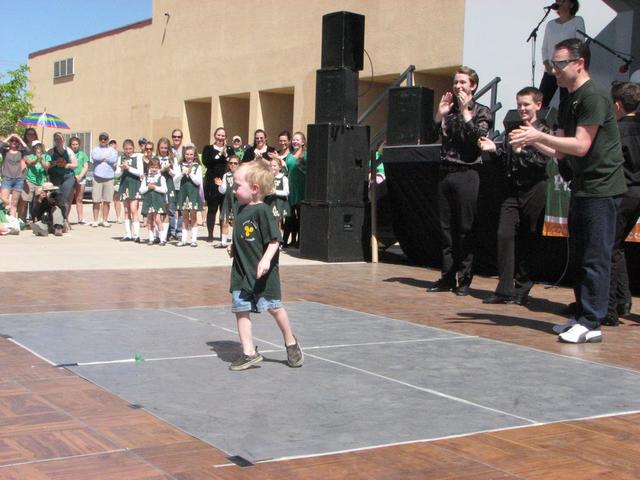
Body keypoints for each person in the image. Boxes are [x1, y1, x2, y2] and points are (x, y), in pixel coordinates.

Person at [510, 39, 626, 343]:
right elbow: (561, 153)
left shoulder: (595, 97)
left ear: (579, 63)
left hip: (602, 187)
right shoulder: (567, 100)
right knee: (578, 256)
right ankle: (581, 316)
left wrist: (537, 133)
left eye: (560, 64)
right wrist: (533, 141)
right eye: (552, 64)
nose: (554, 70)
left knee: (595, 256)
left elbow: (581, 145)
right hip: (583, 187)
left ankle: (592, 322)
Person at [226, 160, 303, 371]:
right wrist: (234, 247)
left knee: (275, 308)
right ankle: (249, 352)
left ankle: (290, 341)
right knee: (240, 309)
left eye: (237, 185)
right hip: (241, 272)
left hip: (263, 274)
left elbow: (274, 240)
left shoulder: (263, 211)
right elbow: (242, 236)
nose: (234, 189)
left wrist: (266, 259)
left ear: (254, 189)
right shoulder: (239, 208)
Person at [479, 87, 552, 305]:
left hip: (535, 188)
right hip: (512, 191)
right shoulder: (514, 130)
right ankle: (504, 289)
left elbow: (541, 162)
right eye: (519, 104)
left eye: (526, 104)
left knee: (530, 239)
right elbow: (508, 163)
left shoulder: (544, 131)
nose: (522, 109)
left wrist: (523, 152)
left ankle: (523, 289)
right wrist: (495, 150)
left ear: (538, 106)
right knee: (504, 235)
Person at [427, 66, 493, 296]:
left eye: (463, 82)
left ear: (473, 85)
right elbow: (428, 135)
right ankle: (447, 277)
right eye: (455, 82)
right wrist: (439, 114)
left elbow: (478, 138)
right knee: (446, 230)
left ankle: (464, 279)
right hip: (446, 173)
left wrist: (466, 112)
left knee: (465, 228)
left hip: (468, 173)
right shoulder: (449, 109)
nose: (458, 86)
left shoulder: (482, 111)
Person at [604, 82, 640, 326]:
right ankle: (622, 299)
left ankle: (608, 307)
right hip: (637, 193)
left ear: (617, 104)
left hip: (622, 192)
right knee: (615, 246)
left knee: (606, 247)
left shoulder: (617, 131)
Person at [540, 0, 585, 107]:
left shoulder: (578, 20)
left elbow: (579, 44)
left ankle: (564, 123)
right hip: (551, 69)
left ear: (571, 4)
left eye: (563, 0)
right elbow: (545, 48)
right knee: (541, 100)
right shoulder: (550, 24)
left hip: (567, 69)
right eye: (557, 0)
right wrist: (547, 66)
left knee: (565, 101)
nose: (559, 2)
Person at [202, 127, 234, 241]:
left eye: (223, 136)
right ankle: (210, 234)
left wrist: (226, 155)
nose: (220, 138)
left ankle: (223, 235)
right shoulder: (208, 148)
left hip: (226, 181)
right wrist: (220, 154)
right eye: (218, 135)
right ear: (215, 136)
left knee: (224, 209)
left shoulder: (229, 149)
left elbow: (234, 162)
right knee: (212, 208)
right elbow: (207, 162)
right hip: (212, 182)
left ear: (226, 137)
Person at [175, 144, 203, 247]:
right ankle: (184, 239)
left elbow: (198, 182)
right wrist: (182, 173)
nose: (189, 156)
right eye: (187, 154)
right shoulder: (180, 165)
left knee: (193, 215)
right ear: (184, 155)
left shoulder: (197, 166)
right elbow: (175, 180)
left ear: (194, 155)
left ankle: (193, 239)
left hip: (193, 193)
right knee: (184, 216)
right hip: (183, 192)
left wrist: (190, 173)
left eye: (191, 154)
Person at [47, 132, 77, 226]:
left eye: (60, 138)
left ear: (63, 140)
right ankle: (56, 219)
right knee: (56, 198)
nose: (58, 141)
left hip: (67, 177)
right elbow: (46, 165)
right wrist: (55, 163)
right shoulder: (51, 151)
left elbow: (75, 164)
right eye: (56, 139)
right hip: (55, 177)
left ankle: (64, 219)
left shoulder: (68, 151)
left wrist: (67, 165)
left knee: (64, 198)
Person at [116, 139, 143, 242]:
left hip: (134, 184)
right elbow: (117, 174)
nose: (128, 151)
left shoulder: (138, 157)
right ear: (123, 149)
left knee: (133, 209)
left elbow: (140, 172)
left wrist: (129, 168)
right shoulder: (121, 158)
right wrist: (122, 169)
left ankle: (136, 235)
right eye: (126, 149)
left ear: (133, 148)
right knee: (126, 210)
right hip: (124, 184)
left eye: (130, 148)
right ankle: (128, 234)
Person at [283, 131, 307, 248]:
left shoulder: (306, 155)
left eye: (297, 139)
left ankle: (300, 241)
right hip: (291, 190)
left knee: (302, 217)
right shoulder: (289, 156)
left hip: (302, 189)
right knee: (291, 217)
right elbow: (286, 172)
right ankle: (290, 240)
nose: (295, 141)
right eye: (293, 139)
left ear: (303, 142)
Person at [90, 132, 117, 227]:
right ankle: (95, 220)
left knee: (107, 200)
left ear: (108, 140)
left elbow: (113, 159)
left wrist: (103, 158)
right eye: (101, 138)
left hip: (109, 178)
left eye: (105, 139)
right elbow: (95, 157)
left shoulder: (112, 150)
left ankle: (105, 220)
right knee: (96, 200)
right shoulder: (95, 149)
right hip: (97, 177)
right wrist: (104, 158)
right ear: (99, 140)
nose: (103, 140)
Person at [139, 157, 168, 245]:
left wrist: (155, 187)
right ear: (149, 168)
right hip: (148, 201)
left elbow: (165, 190)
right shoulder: (146, 178)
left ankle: (162, 238)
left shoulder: (161, 178)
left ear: (159, 168)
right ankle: (151, 238)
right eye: (152, 167)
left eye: (156, 167)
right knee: (149, 220)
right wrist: (148, 187)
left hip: (158, 201)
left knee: (158, 219)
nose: (154, 169)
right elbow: (141, 190)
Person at [20, 140, 50, 222]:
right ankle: (22, 220)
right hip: (30, 180)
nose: (38, 147)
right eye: (36, 146)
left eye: (39, 145)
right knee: (25, 201)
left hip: (41, 182)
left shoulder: (46, 156)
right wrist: (37, 158)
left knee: (39, 201)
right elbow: (30, 163)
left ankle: (37, 218)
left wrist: (41, 159)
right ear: (33, 148)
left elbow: (47, 166)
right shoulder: (28, 156)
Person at [0, 133, 28, 217]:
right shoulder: (5, 151)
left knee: (14, 203)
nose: (14, 142)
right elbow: (1, 145)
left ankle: (12, 221)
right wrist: (10, 137)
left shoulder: (21, 152)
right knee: (5, 202)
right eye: (12, 140)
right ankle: (5, 220)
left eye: (16, 141)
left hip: (18, 179)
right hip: (7, 179)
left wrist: (19, 138)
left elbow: (28, 149)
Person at [216, 155, 240, 249]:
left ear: (239, 164)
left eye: (235, 163)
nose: (233, 165)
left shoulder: (241, 174)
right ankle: (223, 242)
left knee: (235, 222)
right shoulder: (226, 175)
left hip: (237, 201)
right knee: (224, 221)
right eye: (231, 163)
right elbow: (223, 190)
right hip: (227, 200)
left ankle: (235, 242)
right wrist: (220, 185)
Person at [157, 137, 178, 242]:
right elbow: (153, 172)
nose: (164, 150)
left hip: (169, 184)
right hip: (158, 185)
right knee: (158, 210)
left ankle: (167, 234)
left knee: (169, 210)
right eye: (162, 148)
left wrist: (169, 169)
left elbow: (176, 174)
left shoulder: (172, 159)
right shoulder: (155, 158)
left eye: (165, 148)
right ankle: (158, 234)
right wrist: (162, 169)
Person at [264, 157, 289, 230]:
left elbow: (286, 192)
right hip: (269, 202)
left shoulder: (283, 178)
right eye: (271, 166)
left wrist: (275, 192)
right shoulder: (268, 177)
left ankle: (278, 238)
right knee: (268, 221)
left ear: (280, 167)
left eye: (274, 166)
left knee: (277, 222)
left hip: (279, 203)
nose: (272, 168)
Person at [69, 136, 89, 224]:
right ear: (70, 145)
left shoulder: (83, 154)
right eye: (73, 144)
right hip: (70, 177)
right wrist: (74, 176)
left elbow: (86, 166)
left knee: (79, 198)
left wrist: (80, 176)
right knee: (69, 199)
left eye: (76, 144)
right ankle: (65, 218)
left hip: (81, 179)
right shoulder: (68, 153)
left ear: (79, 145)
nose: (75, 146)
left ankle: (80, 218)